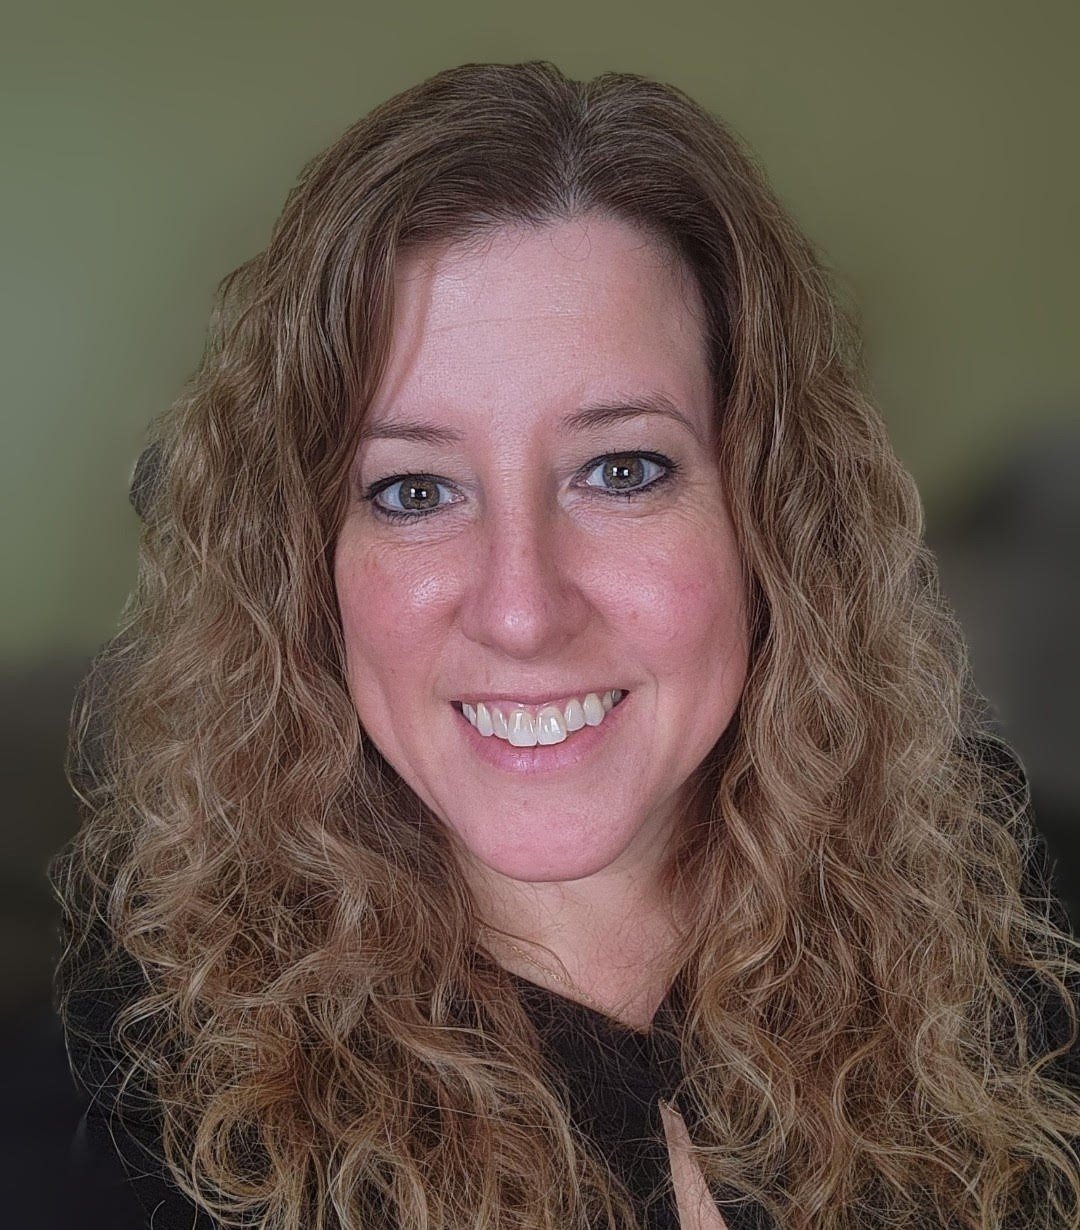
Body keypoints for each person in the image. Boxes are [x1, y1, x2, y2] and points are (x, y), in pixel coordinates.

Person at [53, 60, 1080, 1230]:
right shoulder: (108, 1142)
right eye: (413, 492)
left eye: (622, 470)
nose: (523, 608)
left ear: (775, 518)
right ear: (300, 568)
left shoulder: (1026, 970)